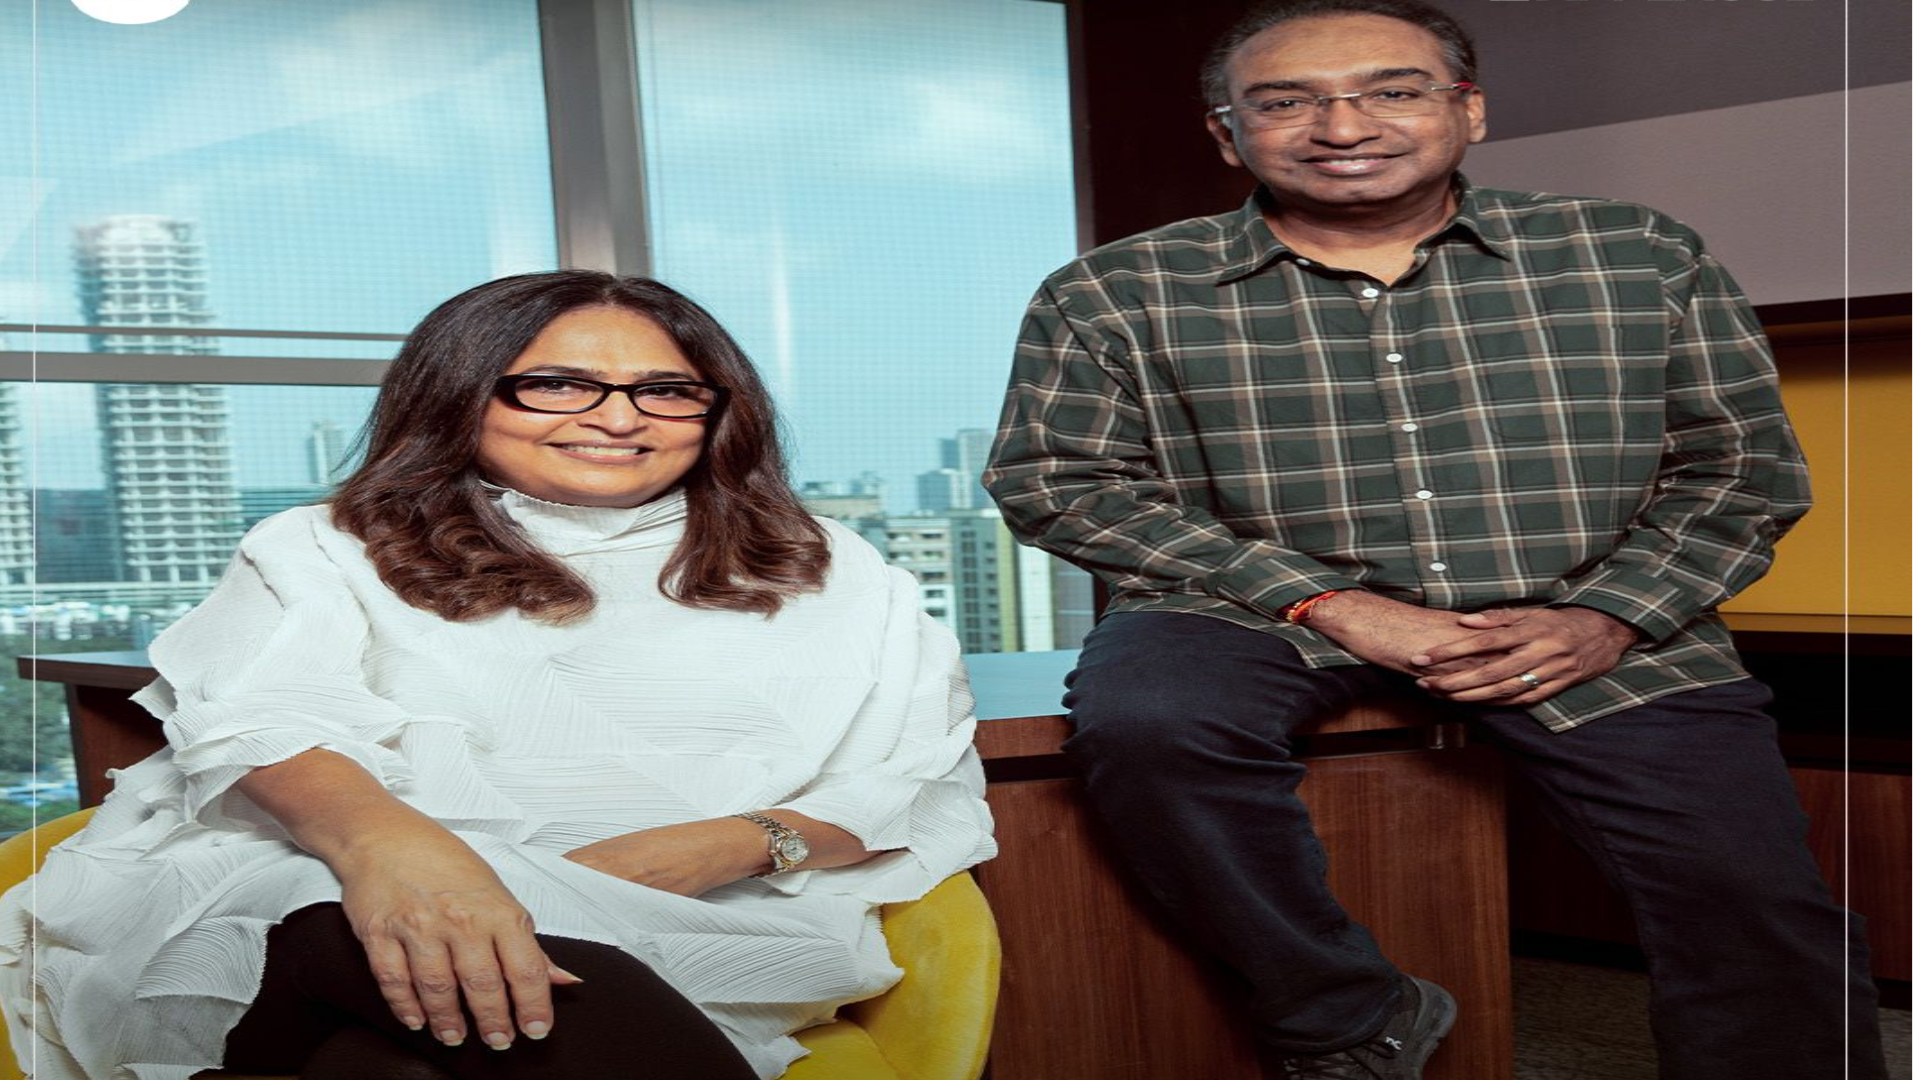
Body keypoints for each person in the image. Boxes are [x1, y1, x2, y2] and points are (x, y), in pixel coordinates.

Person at [983, 2, 1883, 1078]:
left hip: (1585, 606)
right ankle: (1344, 1013)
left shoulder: (1637, 253)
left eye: (1393, 90)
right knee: (1150, 723)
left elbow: (1740, 469)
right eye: (1287, 101)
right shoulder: (1111, 290)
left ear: (1470, 110)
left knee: (1748, 891)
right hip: (1253, 609)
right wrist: (1331, 604)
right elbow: (1059, 482)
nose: (1342, 126)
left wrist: (1608, 616)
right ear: (1228, 133)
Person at [0, 271, 997, 1080]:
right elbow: (265, 721)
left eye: (665, 389)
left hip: (705, 913)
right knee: (395, 934)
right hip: (339, 892)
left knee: (392, 1064)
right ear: (461, 393)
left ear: (714, 411)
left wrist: (718, 846)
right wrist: (399, 855)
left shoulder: (830, 564)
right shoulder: (319, 545)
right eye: (558, 384)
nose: (619, 418)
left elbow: (913, 777)